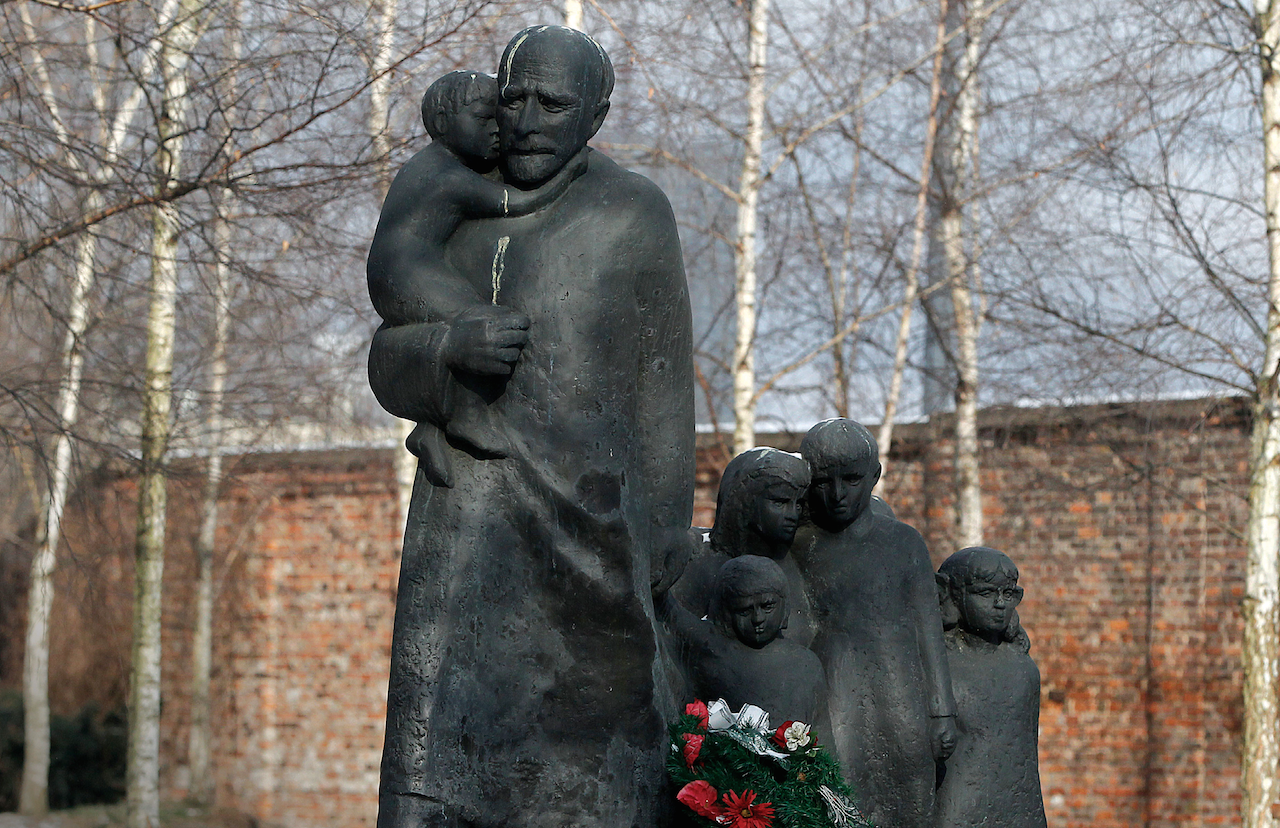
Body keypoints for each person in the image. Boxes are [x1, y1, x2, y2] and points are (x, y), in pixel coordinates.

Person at [367, 26, 695, 828]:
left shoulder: (634, 213)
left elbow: (664, 386)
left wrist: (666, 528)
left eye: (554, 102)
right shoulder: (454, 199)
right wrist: (448, 348)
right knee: (441, 753)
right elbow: (387, 356)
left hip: (596, 531)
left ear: (595, 113)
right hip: (470, 518)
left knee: (602, 758)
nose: (528, 119)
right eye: (513, 97)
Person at [367, 69, 586, 478]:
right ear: (444, 124)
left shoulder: (433, 166)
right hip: (406, 274)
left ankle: (431, 429)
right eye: (484, 120)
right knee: (484, 327)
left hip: (401, 271)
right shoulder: (443, 176)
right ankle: (465, 418)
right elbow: (513, 202)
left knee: (477, 331)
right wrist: (570, 175)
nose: (497, 131)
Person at [792, 418, 957, 828]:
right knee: (842, 789)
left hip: (900, 688)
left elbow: (927, 629)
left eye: (851, 479)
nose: (838, 495)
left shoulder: (903, 542)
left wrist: (941, 712)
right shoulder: (799, 545)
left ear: (875, 476)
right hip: (833, 691)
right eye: (823, 482)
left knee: (906, 794)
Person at [934, 547, 1047, 828]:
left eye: (1008, 594)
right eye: (985, 593)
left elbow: (1025, 765)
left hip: (1019, 811)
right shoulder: (936, 668)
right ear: (954, 596)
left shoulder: (1023, 671)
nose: (999, 604)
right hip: (953, 810)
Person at [659, 555, 826, 728]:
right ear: (726, 613)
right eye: (744, 611)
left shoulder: (806, 665)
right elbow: (669, 613)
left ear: (784, 605)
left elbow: (822, 742)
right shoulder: (712, 649)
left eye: (767, 606)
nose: (758, 618)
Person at [670, 448, 814, 644]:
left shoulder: (797, 564)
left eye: (798, 504)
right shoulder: (697, 563)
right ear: (746, 502)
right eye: (780, 502)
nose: (792, 514)